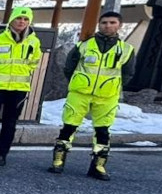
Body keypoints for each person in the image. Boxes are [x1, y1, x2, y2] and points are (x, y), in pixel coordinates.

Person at [51, 11, 135, 181]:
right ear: (99, 24)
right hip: (80, 93)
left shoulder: (126, 50)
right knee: (68, 127)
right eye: (104, 22)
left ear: (120, 26)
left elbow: (128, 73)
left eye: (112, 22)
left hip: (107, 96)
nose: (108, 25)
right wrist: (79, 82)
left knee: (103, 131)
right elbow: (69, 67)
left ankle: (98, 165)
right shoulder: (83, 45)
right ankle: (58, 161)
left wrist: (113, 87)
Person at [0, 6, 42, 166]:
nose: (22, 22)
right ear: (12, 19)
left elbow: (34, 62)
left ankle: (1, 155)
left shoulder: (34, 41)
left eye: (26, 19)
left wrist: (25, 72)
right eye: (19, 18)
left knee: (10, 123)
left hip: (18, 89)